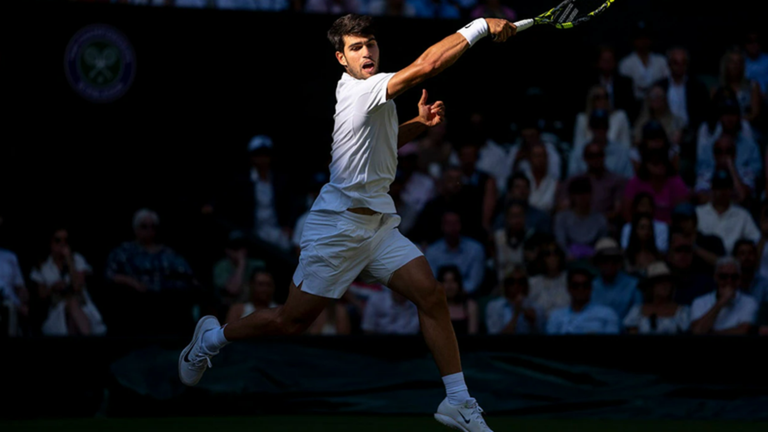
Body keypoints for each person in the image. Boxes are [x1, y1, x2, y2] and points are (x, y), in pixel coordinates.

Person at [179, 14, 518, 430]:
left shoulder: (377, 99)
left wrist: (419, 123)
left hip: (377, 227)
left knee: (431, 295)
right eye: (356, 48)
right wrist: (481, 25)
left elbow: (384, 145)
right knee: (291, 321)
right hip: (337, 229)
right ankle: (211, 339)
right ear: (342, 58)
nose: (367, 52)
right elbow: (429, 65)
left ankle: (458, 401)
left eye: (371, 44)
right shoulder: (361, 91)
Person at [106, 208, 198, 337]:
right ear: (135, 228)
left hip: (170, 298)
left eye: (153, 227)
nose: (149, 231)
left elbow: (189, 276)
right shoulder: (124, 252)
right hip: (138, 298)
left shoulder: (168, 253)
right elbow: (111, 274)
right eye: (144, 226)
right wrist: (133, 283)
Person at [30, 227, 106, 336]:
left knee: (73, 308)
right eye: (58, 240)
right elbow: (41, 295)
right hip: (57, 310)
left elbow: (77, 286)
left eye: (65, 240)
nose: (62, 244)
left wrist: (69, 260)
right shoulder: (43, 266)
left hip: (82, 306)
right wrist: (53, 287)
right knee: (70, 306)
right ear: (50, 242)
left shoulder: (77, 259)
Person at [624, 128, 690, 225]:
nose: (659, 166)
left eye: (662, 161)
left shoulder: (676, 183)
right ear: (646, 163)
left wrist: (662, 229)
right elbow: (626, 214)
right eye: (654, 162)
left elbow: (683, 216)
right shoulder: (635, 183)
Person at [558, 142, 626, 228]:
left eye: (599, 155)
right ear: (584, 158)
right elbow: (563, 208)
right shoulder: (574, 181)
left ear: (604, 156)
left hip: (605, 227)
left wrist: (594, 221)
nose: (596, 159)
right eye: (591, 156)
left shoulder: (616, 180)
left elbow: (618, 211)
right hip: (576, 226)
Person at [696, 169, 760, 255]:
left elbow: (756, 240)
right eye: (718, 187)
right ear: (712, 188)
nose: (721, 192)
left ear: (731, 190)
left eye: (725, 188)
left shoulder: (743, 215)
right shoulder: (698, 213)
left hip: (734, 264)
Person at [691, 257, 759, 335]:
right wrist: (721, 302)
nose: (729, 281)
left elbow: (743, 331)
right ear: (716, 277)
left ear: (739, 279)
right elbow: (697, 330)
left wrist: (710, 334)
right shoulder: (700, 302)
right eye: (723, 277)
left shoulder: (749, 302)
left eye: (734, 277)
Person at [426, 212, 486, 296]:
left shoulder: (475, 249)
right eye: (449, 223)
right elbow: (432, 280)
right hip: (439, 296)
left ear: (461, 225)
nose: (452, 227)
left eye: (455, 223)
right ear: (442, 226)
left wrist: (455, 292)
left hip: (468, 297)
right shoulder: (432, 251)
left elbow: (474, 281)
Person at [546, 267, 620, 335]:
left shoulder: (607, 314)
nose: (580, 289)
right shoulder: (556, 316)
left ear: (591, 288)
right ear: (569, 288)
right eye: (575, 285)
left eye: (585, 285)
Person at [654, 47, 711, 134]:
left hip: (691, 134)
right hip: (663, 133)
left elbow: (703, 116)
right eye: (676, 63)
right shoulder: (659, 87)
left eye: (683, 63)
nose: (679, 67)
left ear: (687, 65)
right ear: (669, 64)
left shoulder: (698, 87)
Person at [213, 230, 267, 321]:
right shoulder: (220, 267)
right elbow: (233, 290)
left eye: (242, 247)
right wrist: (241, 263)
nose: (240, 252)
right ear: (227, 250)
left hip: (256, 308)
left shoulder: (258, 264)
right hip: (227, 310)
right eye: (235, 248)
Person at [624, 261, 690, 334]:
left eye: (668, 281)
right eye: (660, 282)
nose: (665, 285)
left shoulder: (682, 311)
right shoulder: (637, 311)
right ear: (651, 286)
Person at [554, 176, 609, 260]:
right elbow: (561, 244)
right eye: (578, 193)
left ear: (591, 195)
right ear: (572, 196)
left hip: (594, 262)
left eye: (585, 193)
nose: (582, 197)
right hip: (568, 261)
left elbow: (602, 245)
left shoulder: (600, 219)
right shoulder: (561, 218)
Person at [568, 109, 633, 179]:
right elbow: (572, 180)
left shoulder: (622, 152)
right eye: (596, 126)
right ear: (590, 127)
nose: (600, 130)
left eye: (603, 125)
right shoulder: (578, 152)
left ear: (608, 127)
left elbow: (628, 179)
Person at [590, 237, 642, 321]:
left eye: (613, 260)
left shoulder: (633, 285)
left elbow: (637, 314)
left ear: (619, 262)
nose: (609, 264)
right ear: (597, 263)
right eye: (604, 260)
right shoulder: (590, 286)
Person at [618, 22, 670, 102]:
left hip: (659, 104)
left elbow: (667, 84)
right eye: (639, 38)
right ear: (634, 40)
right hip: (634, 104)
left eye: (645, 37)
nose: (643, 41)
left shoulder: (661, 61)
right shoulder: (625, 64)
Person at [485, 267, 542, 334]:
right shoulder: (494, 307)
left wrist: (533, 321)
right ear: (506, 285)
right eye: (511, 282)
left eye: (521, 281)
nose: (516, 285)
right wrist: (516, 314)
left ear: (526, 285)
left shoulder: (536, 308)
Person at [666, 230, 717, 306]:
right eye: (679, 250)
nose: (683, 254)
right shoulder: (661, 283)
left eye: (687, 250)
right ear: (669, 255)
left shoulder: (705, 284)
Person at [586, 45, 637, 120]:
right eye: (604, 60)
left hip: (618, 120)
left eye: (609, 60)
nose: (607, 63)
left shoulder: (625, 83)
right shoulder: (590, 82)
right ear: (598, 62)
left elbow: (630, 108)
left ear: (615, 62)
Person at [573, 85, 632, 150]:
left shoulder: (620, 117)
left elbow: (626, 146)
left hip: (615, 157)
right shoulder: (582, 119)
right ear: (591, 100)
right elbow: (578, 147)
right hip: (590, 158)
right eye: (598, 98)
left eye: (605, 97)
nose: (602, 101)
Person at [527, 239, 570, 319]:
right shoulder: (532, 283)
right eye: (547, 254)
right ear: (541, 258)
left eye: (555, 253)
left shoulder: (570, 279)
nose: (552, 257)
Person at [717, 48, 762, 124]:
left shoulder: (753, 86)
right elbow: (713, 114)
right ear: (726, 65)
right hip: (722, 127)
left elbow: (755, 114)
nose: (736, 65)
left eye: (739, 62)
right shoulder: (717, 88)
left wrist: (735, 122)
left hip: (746, 126)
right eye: (732, 62)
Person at [492, 200, 530, 284]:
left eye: (520, 216)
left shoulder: (531, 237)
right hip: (502, 284)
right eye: (513, 216)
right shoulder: (498, 237)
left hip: (525, 285)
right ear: (507, 218)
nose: (517, 220)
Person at [438, 265, 479, 335]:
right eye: (445, 281)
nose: (449, 286)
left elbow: (473, 338)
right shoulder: (434, 307)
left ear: (459, 283)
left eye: (453, 281)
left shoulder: (470, 306)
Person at [524, 142, 558, 213]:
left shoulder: (555, 184)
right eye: (536, 156)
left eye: (542, 156)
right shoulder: (522, 180)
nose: (539, 159)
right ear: (530, 159)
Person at [733, 239, 768, 305]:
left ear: (756, 257)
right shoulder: (728, 282)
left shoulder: (765, 284)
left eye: (750, 253)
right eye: (742, 253)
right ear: (735, 258)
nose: (747, 257)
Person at [744, 30, 768, 96]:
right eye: (750, 41)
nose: (754, 44)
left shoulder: (767, 60)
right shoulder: (739, 62)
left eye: (757, 40)